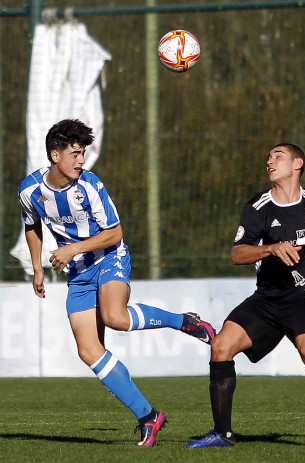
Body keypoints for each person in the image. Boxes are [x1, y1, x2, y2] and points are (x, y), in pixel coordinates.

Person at [18, 119, 217, 446]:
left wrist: (73, 248)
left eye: (83, 154)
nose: (81, 161)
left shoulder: (90, 186)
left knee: (115, 317)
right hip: (78, 273)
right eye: (75, 154)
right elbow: (31, 224)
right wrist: (38, 269)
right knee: (89, 351)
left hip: (110, 257)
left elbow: (115, 232)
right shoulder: (29, 189)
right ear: (55, 155)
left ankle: (184, 322)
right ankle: (148, 416)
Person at [187, 142, 305, 449]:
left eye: (277, 156)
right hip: (265, 299)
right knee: (221, 346)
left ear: (297, 163)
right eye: (268, 157)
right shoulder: (258, 207)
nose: (269, 161)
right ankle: (222, 434)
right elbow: (237, 255)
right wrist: (270, 248)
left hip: (301, 296)